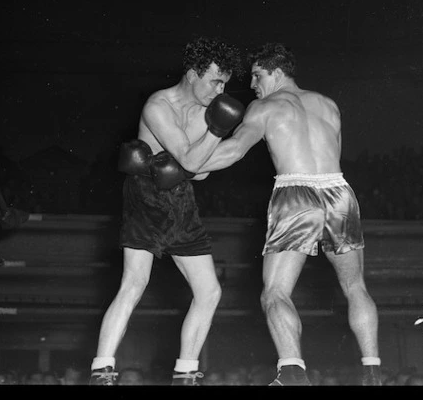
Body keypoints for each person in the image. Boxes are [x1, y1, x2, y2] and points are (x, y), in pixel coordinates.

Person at [197, 42, 381, 386]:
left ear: (277, 72)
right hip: (339, 190)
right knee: (356, 287)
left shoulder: (264, 106)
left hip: (296, 191)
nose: (252, 84)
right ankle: (372, 372)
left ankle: (293, 372)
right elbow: (334, 156)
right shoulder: (328, 104)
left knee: (276, 292)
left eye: (257, 75)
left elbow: (235, 150)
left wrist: (189, 162)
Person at [89, 37, 245, 386]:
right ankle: (101, 370)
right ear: (192, 74)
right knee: (134, 282)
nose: (220, 90)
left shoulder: (207, 109)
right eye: (215, 81)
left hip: (180, 199)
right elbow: (194, 160)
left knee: (210, 291)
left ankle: (185, 374)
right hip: (145, 195)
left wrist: (195, 157)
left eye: (224, 83)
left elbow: (199, 171)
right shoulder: (158, 105)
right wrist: (217, 132)